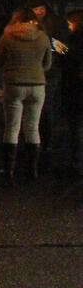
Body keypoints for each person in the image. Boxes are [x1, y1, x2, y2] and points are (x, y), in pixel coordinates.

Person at [0, 7, 52, 184]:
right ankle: (31, 170)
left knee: (12, 127)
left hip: (14, 84)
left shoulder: (8, 35)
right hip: (37, 85)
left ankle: (8, 170)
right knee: (33, 127)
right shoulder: (43, 36)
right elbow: (48, 63)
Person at [28, 0, 70, 170]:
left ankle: (47, 140)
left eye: (40, 9)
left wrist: (48, 46)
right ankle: (39, 139)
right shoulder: (33, 24)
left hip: (50, 71)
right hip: (37, 71)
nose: (37, 12)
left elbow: (63, 48)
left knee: (46, 107)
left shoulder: (53, 25)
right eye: (34, 9)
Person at [62, 10, 83, 179]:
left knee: (74, 123)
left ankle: (75, 158)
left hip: (74, 84)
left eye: (70, 23)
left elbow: (69, 57)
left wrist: (57, 46)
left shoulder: (75, 39)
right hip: (76, 82)